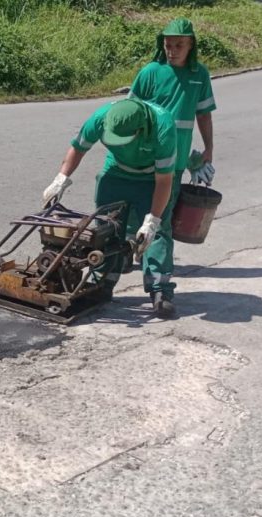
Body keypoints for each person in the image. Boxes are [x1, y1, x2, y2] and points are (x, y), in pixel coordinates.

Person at [42, 98, 177, 317]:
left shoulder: (163, 127)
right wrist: (60, 179)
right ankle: (101, 285)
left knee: (157, 234)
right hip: (115, 173)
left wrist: (152, 220)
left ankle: (159, 290)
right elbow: (78, 148)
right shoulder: (101, 117)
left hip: (150, 178)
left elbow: (164, 181)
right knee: (106, 229)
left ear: (141, 130)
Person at [127, 17, 218, 315]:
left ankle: (159, 288)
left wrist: (206, 151)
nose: (172, 49)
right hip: (141, 161)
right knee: (125, 219)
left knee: (161, 224)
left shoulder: (199, 76)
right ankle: (103, 280)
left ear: (191, 45)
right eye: (168, 44)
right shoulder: (150, 73)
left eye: (179, 44)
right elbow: (129, 115)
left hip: (174, 164)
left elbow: (203, 115)